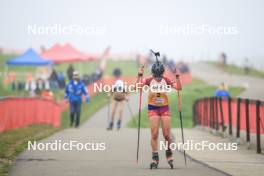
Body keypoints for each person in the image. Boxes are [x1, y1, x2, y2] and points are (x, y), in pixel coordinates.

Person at [137, 53, 182, 169]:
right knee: (154, 133)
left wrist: (177, 77)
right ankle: (155, 156)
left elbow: (179, 88)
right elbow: (138, 86)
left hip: (164, 108)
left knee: (167, 134)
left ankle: (168, 152)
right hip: (153, 108)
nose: (158, 78)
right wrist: (139, 75)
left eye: (159, 76)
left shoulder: (166, 79)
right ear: (153, 74)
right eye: (156, 76)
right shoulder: (148, 80)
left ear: (162, 73)